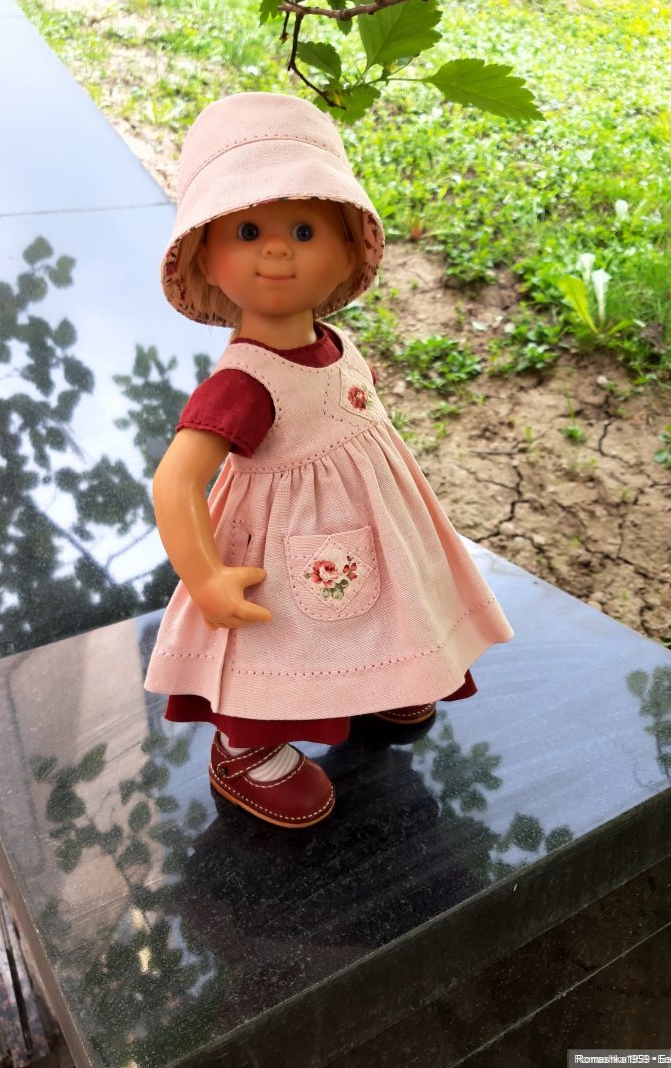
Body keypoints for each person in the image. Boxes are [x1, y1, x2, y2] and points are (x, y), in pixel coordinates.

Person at [145, 92, 513, 829]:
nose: (277, 250)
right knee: (280, 638)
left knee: (382, 602)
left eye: (305, 229)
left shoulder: (340, 348)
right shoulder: (244, 383)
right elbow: (177, 478)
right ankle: (244, 743)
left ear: (350, 248)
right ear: (207, 258)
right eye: (248, 231)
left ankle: (384, 675)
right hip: (280, 549)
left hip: (367, 525)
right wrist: (206, 576)